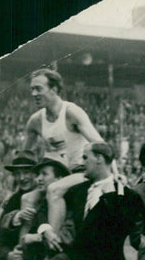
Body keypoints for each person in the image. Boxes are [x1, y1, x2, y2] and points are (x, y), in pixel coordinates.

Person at [22, 68, 104, 247]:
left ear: (54, 89)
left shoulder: (71, 112)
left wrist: (114, 177)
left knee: (54, 190)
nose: (33, 93)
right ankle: (22, 255)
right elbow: (24, 156)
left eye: (38, 88)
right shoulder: (35, 120)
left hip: (82, 171)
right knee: (26, 199)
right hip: (60, 174)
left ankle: (52, 249)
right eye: (32, 89)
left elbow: (101, 145)